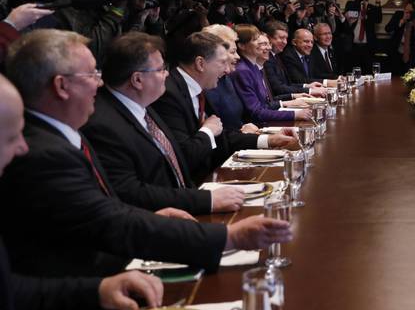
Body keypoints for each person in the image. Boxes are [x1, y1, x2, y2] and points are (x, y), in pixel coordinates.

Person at [1, 29, 294, 280]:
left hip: (148, 237)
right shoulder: (55, 146)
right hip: (102, 279)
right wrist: (228, 236)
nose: (99, 82)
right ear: (61, 86)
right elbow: (111, 216)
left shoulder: (133, 110)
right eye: (91, 74)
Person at [0, 73, 163, 310]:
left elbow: (11, 291)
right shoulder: (44, 153)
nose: (22, 147)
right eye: (11, 138)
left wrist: (99, 289)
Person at [82, 32, 245, 216]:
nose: (167, 74)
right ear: (137, 80)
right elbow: (131, 192)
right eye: (160, 70)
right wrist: (207, 200)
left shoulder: (143, 106)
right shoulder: (104, 124)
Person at [151, 32, 299, 179]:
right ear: (200, 64)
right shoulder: (169, 94)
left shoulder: (198, 88)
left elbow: (222, 137)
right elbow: (183, 156)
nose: (227, 70)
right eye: (222, 63)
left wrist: (269, 140)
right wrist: (208, 131)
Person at [232, 25, 314, 125]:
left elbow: (265, 103)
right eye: (255, 40)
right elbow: (257, 112)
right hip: (258, 126)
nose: (268, 47)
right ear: (241, 46)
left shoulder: (253, 67)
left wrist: (288, 101)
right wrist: (294, 114)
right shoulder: (243, 70)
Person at [202, 24, 257, 132]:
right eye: (232, 52)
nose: (238, 56)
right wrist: (242, 133)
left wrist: (245, 128)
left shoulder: (226, 78)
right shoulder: (205, 85)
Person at [343, 0, 382, 73]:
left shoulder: (372, 8)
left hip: (367, 47)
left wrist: (377, 0)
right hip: (353, 46)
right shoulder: (351, 4)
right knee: (352, 72)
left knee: (367, 73)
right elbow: (349, 11)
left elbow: (378, 19)